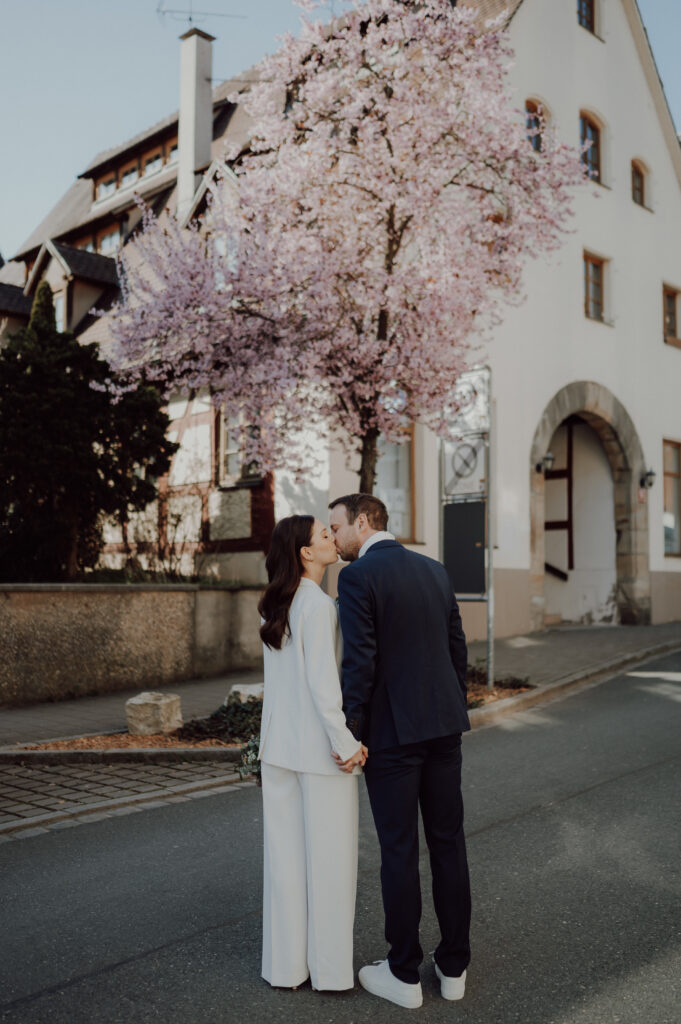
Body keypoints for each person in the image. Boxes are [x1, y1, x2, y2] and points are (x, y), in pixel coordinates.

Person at [328, 493, 471, 1010]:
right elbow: (457, 650)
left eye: (337, 527)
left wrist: (350, 731)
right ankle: (454, 967)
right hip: (444, 728)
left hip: (392, 736)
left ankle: (404, 972)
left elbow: (359, 662)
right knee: (449, 843)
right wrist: (452, 708)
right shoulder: (434, 570)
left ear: (363, 522)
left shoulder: (357, 577)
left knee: (399, 850)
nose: (334, 538)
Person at [257, 514, 367, 992]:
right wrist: (348, 744)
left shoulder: (275, 605)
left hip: (278, 749)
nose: (333, 539)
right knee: (330, 865)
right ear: (306, 552)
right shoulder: (318, 606)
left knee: (284, 866)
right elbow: (325, 688)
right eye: (325, 535)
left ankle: (285, 968)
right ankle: (329, 973)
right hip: (320, 755)